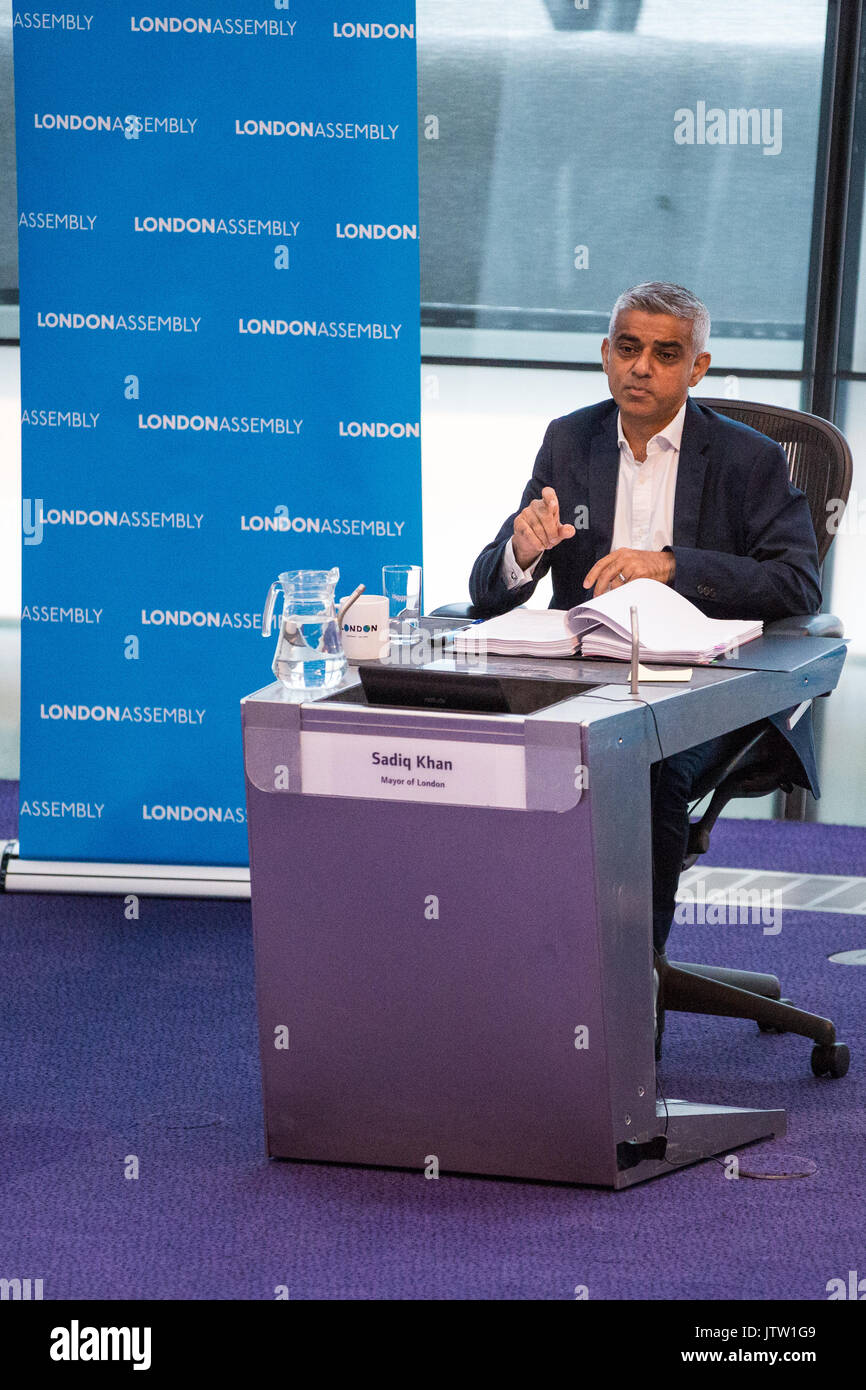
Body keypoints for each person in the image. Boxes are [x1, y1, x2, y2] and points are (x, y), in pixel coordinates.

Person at [469, 281, 822, 970]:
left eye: (666, 354)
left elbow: (797, 584)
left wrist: (670, 566)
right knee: (488, 737)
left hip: (707, 688)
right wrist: (523, 550)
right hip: (587, 676)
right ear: (606, 354)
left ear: (698, 368)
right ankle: (520, 965)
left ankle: (633, 987)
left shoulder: (749, 460)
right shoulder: (571, 440)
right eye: (629, 349)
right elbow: (486, 591)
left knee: (646, 761)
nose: (642, 367)